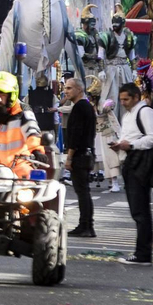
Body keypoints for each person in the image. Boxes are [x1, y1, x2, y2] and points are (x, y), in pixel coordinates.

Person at [114, 82, 153, 265]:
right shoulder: (130, 114)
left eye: (126, 99)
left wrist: (132, 145)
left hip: (141, 163)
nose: (123, 103)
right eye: (121, 100)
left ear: (136, 97)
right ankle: (141, 251)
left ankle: (143, 254)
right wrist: (120, 145)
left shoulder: (145, 112)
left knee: (140, 210)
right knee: (138, 210)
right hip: (131, 160)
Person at [61, 75, 97, 237]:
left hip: (81, 155)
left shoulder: (80, 107)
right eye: (65, 88)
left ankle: (86, 226)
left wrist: (69, 157)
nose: (65, 91)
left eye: (69, 88)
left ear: (79, 90)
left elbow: (76, 135)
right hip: (87, 153)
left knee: (82, 192)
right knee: (84, 191)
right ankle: (86, 225)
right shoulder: (86, 106)